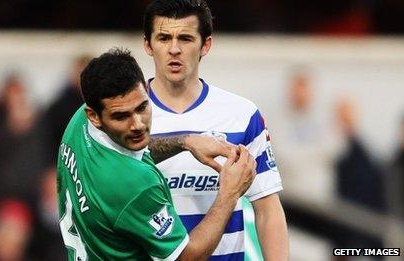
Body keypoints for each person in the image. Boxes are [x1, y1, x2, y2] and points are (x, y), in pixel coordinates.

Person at [57, 48, 256, 260]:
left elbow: (129, 153)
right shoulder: (134, 186)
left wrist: (185, 142)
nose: (137, 124)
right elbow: (186, 257)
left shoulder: (79, 123)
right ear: (94, 116)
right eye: (121, 116)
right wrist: (229, 194)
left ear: (146, 89)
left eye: (142, 107)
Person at [142, 0, 288, 259]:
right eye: (164, 38)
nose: (174, 49)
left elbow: (267, 209)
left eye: (185, 39)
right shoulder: (126, 116)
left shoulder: (241, 115)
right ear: (148, 45)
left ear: (205, 45)